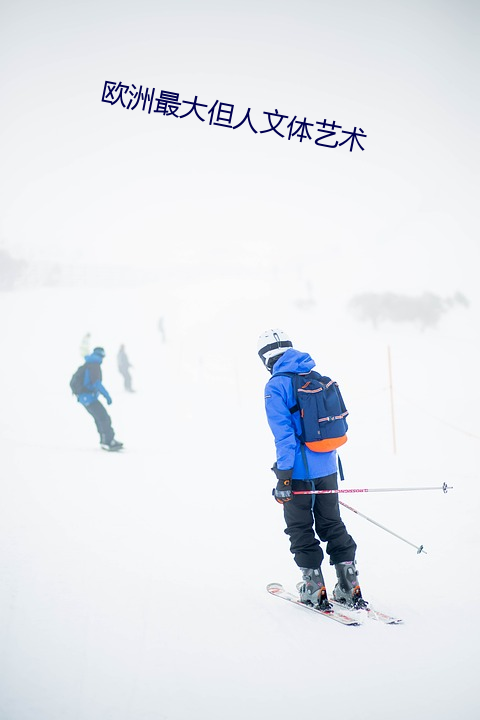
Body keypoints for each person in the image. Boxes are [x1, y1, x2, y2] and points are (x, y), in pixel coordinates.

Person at [258, 328, 366, 610]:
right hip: (328, 466)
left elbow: (284, 437)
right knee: (331, 523)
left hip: (298, 472)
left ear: (266, 358)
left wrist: (284, 478)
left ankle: (313, 588)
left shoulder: (275, 386)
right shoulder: (315, 377)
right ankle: (349, 585)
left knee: (300, 527)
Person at [76, 346, 123, 451]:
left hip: (85, 398)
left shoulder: (89, 363)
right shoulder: (94, 365)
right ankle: (108, 441)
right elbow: (96, 383)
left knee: (100, 418)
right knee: (104, 418)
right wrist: (107, 396)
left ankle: (104, 440)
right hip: (89, 398)